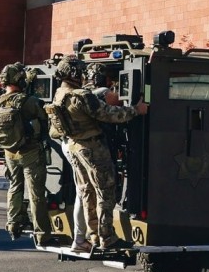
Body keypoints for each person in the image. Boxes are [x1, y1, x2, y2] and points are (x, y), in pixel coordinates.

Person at [47, 57, 147, 254]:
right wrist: (137, 110)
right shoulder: (82, 96)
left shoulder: (60, 94)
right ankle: (107, 238)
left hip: (74, 147)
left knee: (86, 193)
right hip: (92, 148)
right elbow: (110, 114)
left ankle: (93, 236)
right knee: (105, 192)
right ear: (74, 73)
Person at [0, 63, 53, 244]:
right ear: (19, 79)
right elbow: (46, 123)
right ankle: (41, 233)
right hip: (30, 152)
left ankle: (13, 223)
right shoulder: (30, 101)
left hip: (9, 153)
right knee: (36, 193)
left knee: (15, 187)